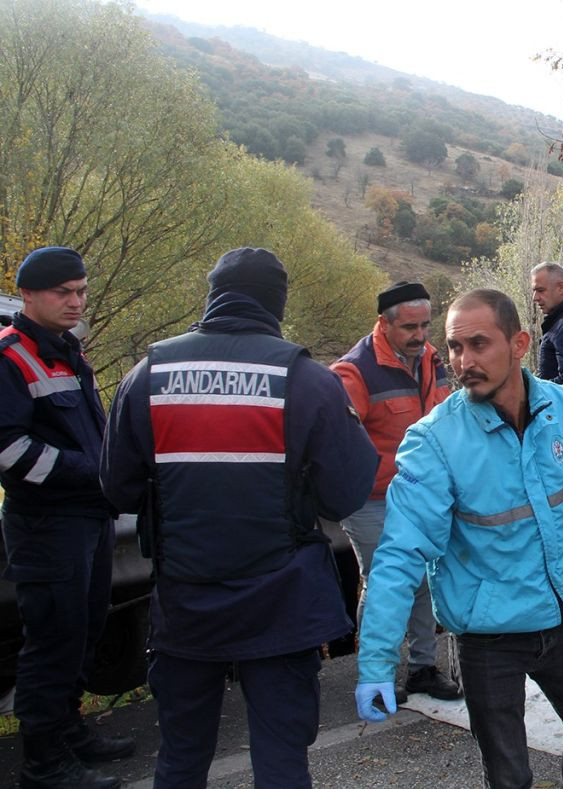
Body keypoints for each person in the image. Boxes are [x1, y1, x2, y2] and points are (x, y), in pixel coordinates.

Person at [100, 248, 378, 788]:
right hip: (282, 606)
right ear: (277, 301)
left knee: (181, 757)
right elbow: (345, 493)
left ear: (213, 294)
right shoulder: (305, 378)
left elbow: (117, 487)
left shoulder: (149, 373)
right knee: (280, 758)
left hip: (185, 607)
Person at [354, 289, 563, 789]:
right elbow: (400, 555)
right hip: (488, 637)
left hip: (561, 621)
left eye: (479, 344)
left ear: (519, 343)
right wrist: (376, 661)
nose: (463, 361)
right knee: (508, 775)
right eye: (454, 347)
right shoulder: (435, 441)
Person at [1, 247, 135, 789]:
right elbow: (9, 450)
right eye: (64, 292)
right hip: (46, 524)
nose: (76, 301)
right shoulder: (11, 357)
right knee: (53, 639)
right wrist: (95, 470)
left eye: (81, 291)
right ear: (29, 294)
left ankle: (69, 730)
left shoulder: (66, 350)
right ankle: (44, 764)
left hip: (88, 519)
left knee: (84, 630)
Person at [330, 281, 461, 701]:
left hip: (423, 495)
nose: (420, 335)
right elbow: (336, 443)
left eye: (425, 325)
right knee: (385, 580)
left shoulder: (433, 360)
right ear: (383, 325)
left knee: (423, 578)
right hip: (372, 499)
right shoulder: (354, 372)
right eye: (409, 327)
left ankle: (423, 667)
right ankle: (378, 673)